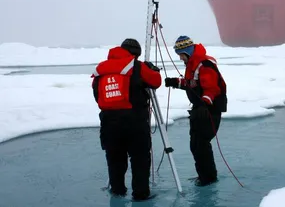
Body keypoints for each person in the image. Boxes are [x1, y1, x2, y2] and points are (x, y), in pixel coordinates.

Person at [91, 38, 162, 201]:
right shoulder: (137, 66)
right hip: (134, 122)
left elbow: (97, 94)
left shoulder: (101, 69)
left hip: (108, 122)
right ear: (136, 54)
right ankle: (141, 194)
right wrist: (152, 70)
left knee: (115, 158)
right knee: (140, 158)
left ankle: (117, 192)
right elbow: (156, 82)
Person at [165, 35, 227, 187]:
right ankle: (204, 176)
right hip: (200, 109)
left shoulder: (204, 64)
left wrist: (205, 104)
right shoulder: (193, 64)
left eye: (181, 55)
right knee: (195, 144)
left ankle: (209, 178)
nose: (180, 58)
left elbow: (212, 88)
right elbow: (192, 84)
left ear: (187, 52)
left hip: (208, 110)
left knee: (201, 144)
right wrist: (175, 82)